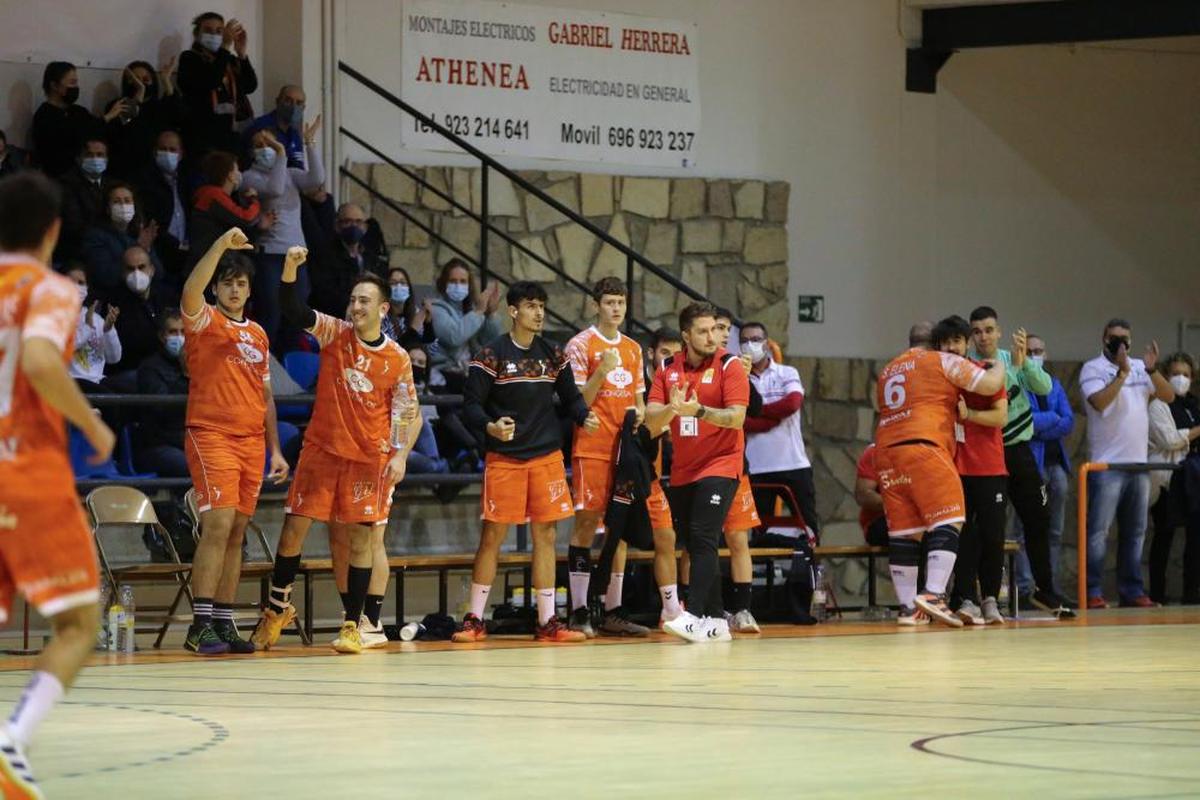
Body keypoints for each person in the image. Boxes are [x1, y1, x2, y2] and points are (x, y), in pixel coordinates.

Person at [0, 171, 116, 797]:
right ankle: (10, 741)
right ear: (52, 232)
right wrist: (90, 424)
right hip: (26, 470)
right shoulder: (48, 289)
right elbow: (42, 361)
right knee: (77, 624)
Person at [251, 248, 420, 654]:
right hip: (322, 452)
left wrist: (399, 455)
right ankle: (277, 609)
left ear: (382, 309)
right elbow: (293, 309)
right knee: (294, 530)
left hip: (368, 460)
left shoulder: (396, 359)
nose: (355, 306)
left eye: (364, 301)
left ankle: (351, 625)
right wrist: (291, 268)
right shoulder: (334, 332)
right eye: (353, 300)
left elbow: (407, 414)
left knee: (361, 541)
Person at [451, 281, 599, 644]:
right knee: (493, 536)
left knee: (546, 535)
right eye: (532, 306)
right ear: (513, 311)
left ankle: (548, 621)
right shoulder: (490, 355)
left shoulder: (554, 354)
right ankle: (474, 619)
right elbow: (470, 405)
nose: (539, 313)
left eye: (542, 307)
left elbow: (570, 398)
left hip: (546, 456)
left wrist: (584, 416)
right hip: (505, 458)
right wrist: (490, 426)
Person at [180, 227, 288, 655]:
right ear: (218, 288)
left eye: (241, 283)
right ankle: (199, 624)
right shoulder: (204, 319)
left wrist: (275, 449)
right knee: (218, 523)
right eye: (227, 282)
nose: (235, 289)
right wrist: (220, 244)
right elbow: (191, 287)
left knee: (238, 531)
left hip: (251, 442)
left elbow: (265, 397)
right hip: (211, 434)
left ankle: (223, 621)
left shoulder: (259, 334)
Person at [873, 318, 1006, 627]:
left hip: (887, 453)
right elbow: (989, 385)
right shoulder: (941, 360)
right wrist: (998, 366)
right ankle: (933, 593)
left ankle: (909, 608)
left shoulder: (888, 369)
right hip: (924, 445)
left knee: (906, 532)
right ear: (935, 343)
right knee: (951, 517)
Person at [647, 301, 751, 643]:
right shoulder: (667, 367)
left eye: (716, 330)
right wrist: (672, 410)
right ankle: (719, 624)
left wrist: (700, 410)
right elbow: (651, 421)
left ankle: (695, 614)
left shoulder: (730, 365)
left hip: (722, 463)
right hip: (684, 470)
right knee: (692, 542)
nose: (713, 337)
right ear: (686, 335)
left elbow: (736, 417)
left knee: (705, 536)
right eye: (704, 331)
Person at [563, 278, 655, 638]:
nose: (615, 308)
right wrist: (602, 370)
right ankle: (580, 610)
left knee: (621, 529)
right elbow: (578, 401)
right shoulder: (580, 345)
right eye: (609, 302)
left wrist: (642, 418)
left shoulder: (633, 348)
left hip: (625, 452)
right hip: (592, 447)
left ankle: (613, 611)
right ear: (595, 305)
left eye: (620, 302)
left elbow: (640, 400)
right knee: (587, 525)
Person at [968, 306, 1074, 618]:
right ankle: (984, 596)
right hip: (988, 455)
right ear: (971, 336)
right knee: (991, 529)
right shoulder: (968, 365)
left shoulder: (1011, 357)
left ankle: (1044, 590)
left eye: (989, 329)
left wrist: (1024, 363)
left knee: (1039, 518)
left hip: (1020, 451)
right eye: (977, 331)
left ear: (999, 332)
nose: (984, 336)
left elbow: (1043, 387)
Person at [1079, 318, 1173, 608]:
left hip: (1138, 465)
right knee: (1098, 532)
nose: (1121, 344)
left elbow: (1168, 396)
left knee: (1136, 532)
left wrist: (1152, 369)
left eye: (1125, 339)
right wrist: (1121, 374)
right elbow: (1099, 402)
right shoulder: (1093, 368)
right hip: (1106, 466)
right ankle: (1092, 590)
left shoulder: (1142, 369)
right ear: (1103, 339)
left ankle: (1131, 591)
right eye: (1114, 338)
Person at [934, 316, 1008, 626]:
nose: (952, 347)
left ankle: (990, 597)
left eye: (957, 341)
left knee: (992, 535)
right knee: (961, 537)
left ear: (967, 345)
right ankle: (963, 597)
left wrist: (970, 414)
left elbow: (1001, 417)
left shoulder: (984, 375)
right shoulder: (936, 377)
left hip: (989, 466)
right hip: (952, 468)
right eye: (946, 342)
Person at [241, 121, 324, 348]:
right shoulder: (248, 177)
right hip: (270, 255)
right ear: (252, 151)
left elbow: (316, 179)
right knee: (271, 311)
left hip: (295, 254)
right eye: (260, 145)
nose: (266, 147)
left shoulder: (289, 172)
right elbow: (275, 189)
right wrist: (280, 152)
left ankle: (289, 358)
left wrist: (309, 144)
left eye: (269, 142)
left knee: (297, 312)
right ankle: (265, 362)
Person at [1011, 333, 1073, 605]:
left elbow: (1068, 422)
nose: (1036, 354)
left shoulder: (1054, 385)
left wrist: (1041, 425)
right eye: (1031, 350)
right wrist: (1050, 420)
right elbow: (1023, 419)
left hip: (1056, 464)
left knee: (1054, 530)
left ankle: (1049, 586)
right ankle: (1024, 587)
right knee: (1025, 529)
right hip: (1030, 464)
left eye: (1039, 350)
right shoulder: (1019, 381)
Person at [1147, 353, 1200, 604]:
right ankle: (1157, 593)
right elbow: (1168, 440)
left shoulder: (1194, 405)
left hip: (1193, 481)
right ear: (1165, 376)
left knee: (1195, 538)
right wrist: (1192, 433)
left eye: (1186, 375)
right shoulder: (1159, 403)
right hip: (1168, 479)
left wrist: (1186, 435)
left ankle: (1191, 593)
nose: (1181, 379)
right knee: (1163, 536)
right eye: (1175, 374)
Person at [177, 13, 258, 157]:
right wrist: (226, 46)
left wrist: (242, 54)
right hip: (201, 134)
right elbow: (211, 81)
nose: (214, 35)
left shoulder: (229, 60)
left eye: (219, 31)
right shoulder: (189, 58)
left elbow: (250, 86)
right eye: (208, 30)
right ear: (197, 35)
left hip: (230, 131)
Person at [428, 258, 503, 389]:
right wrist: (479, 312)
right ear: (444, 283)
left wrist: (490, 314)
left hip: (470, 374)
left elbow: (489, 342)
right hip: (445, 375)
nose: (458, 285)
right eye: (453, 281)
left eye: (463, 281)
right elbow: (454, 337)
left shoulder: (470, 311)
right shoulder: (436, 309)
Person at [103, 59, 185, 179]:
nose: (140, 83)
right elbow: (125, 133)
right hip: (127, 168)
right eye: (135, 79)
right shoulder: (117, 105)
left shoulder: (158, 106)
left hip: (157, 169)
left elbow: (178, 116)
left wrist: (166, 81)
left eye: (146, 79)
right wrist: (137, 101)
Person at [81, 182, 162, 303]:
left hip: (143, 300)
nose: (123, 205)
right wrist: (137, 248)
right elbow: (105, 277)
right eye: (117, 201)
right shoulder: (95, 237)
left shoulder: (139, 233)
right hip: (113, 302)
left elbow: (159, 273)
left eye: (127, 200)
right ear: (108, 209)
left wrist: (146, 249)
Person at [135, 310, 190, 477]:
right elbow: (164, 409)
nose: (179, 337)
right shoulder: (150, 368)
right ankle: (181, 502)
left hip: (192, 442)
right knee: (191, 464)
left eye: (183, 332)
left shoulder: (198, 366)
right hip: (159, 445)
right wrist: (187, 376)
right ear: (161, 336)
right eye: (173, 332)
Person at [133, 130, 190, 289]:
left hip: (186, 256)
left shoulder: (185, 180)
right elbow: (151, 221)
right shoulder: (145, 181)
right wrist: (175, 245)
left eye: (172, 150)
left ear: (181, 154)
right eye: (163, 149)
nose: (168, 154)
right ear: (155, 152)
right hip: (161, 254)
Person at [31, 62, 106, 179]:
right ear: (54, 85)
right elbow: (69, 142)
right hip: (59, 181)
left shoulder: (78, 111)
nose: (76, 87)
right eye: (72, 82)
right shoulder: (44, 116)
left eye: (76, 82)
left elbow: (95, 130)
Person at [188, 150, 263, 261]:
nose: (239, 174)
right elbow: (245, 217)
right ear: (230, 175)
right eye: (237, 170)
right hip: (209, 260)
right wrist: (254, 200)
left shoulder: (208, 194)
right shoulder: (214, 195)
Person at [110, 246, 170, 373]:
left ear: (152, 270)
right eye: (130, 269)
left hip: (165, 369)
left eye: (141, 267)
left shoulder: (167, 297)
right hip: (130, 370)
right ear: (123, 273)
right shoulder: (114, 303)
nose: (136, 273)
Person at [62, 264, 121, 393]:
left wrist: (108, 330)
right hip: (70, 381)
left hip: (97, 381)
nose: (76, 287)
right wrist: (87, 327)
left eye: (81, 283)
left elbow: (114, 358)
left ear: (87, 288)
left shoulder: (97, 319)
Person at [57, 138, 113, 262]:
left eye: (100, 155)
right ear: (78, 159)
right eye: (89, 155)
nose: (95, 159)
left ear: (107, 159)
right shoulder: (65, 185)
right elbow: (73, 225)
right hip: (79, 252)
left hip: (109, 247)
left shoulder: (112, 184)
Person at [244, 85, 311, 169]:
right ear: (278, 101)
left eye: (298, 103)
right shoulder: (261, 127)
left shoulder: (294, 134)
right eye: (288, 101)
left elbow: (298, 170)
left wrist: (310, 143)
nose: (293, 106)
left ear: (303, 108)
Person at [383, 267, 434, 349]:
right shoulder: (381, 317)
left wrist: (428, 324)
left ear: (409, 287)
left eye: (403, 283)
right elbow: (389, 352)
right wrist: (413, 330)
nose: (399, 286)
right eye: (393, 283)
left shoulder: (415, 313)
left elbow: (430, 351)